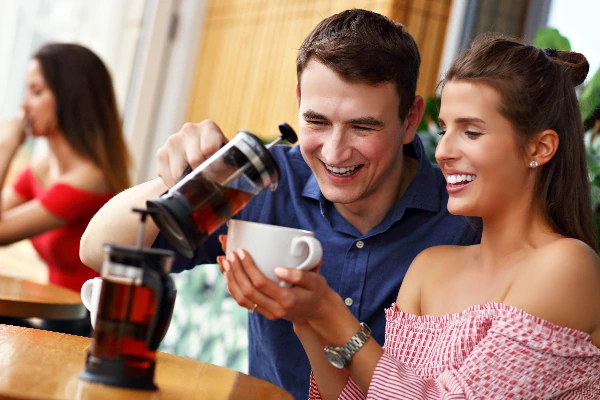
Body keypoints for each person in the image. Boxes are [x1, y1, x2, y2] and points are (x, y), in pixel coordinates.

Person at [79, 9, 480, 399]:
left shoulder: (463, 216)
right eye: (317, 122)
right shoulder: (261, 181)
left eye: (362, 126)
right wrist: (178, 181)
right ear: (299, 100)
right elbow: (99, 252)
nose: (336, 152)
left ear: (410, 119)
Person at [220, 35, 600, 398]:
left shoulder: (567, 268)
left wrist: (330, 313)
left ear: (540, 146)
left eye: (471, 131)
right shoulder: (430, 267)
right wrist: (305, 316)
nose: (444, 151)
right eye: (446, 128)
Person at [0, 43, 131, 334]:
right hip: (59, 315)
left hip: (94, 325)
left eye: (36, 92)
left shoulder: (91, 179)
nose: (24, 105)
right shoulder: (42, 168)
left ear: (68, 99)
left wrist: (6, 146)